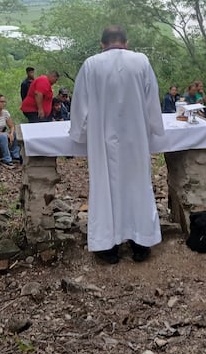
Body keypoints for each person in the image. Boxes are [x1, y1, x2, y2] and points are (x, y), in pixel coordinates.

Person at [69, 25, 165, 265]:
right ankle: (140, 242)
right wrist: (155, 127)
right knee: (137, 186)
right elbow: (152, 98)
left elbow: (80, 104)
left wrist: (79, 133)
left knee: (105, 188)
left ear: (102, 44)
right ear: (126, 42)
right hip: (135, 137)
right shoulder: (141, 61)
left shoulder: (91, 64)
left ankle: (107, 246)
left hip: (103, 138)